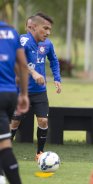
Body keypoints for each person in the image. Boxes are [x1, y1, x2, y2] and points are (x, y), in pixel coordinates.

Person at [10, 12, 62, 161]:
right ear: (33, 27)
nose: (48, 32)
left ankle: (40, 153)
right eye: (45, 28)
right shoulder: (23, 40)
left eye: (49, 29)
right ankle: (5, 152)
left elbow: (53, 61)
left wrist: (57, 78)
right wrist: (33, 73)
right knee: (14, 122)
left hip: (40, 91)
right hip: (21, 91)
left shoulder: (48, 44)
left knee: (43, 121)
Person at [0, 20, 30, 184]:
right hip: (9, 94)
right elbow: (22, 66)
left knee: (4, 145)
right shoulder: (11, 32)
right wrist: (24, 94)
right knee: (3, 144)